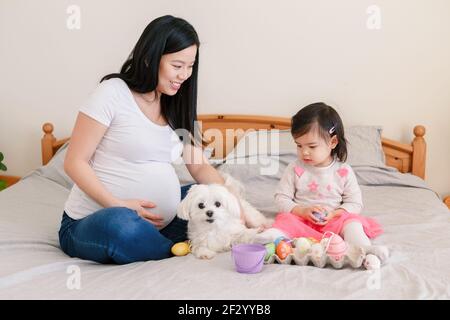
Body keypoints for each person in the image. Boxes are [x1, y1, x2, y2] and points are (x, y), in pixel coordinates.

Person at [58, 15, 229, 264]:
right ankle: (173, 250)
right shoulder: (113, 93)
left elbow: (200, 166)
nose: (185, 75)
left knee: (201, 197)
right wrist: (118, 205)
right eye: (177, 65)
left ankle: (167, 244)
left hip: (162, 225)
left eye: (190, 66)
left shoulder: (175, 104)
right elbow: (75, 162)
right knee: (121, 225)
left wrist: (233, 204)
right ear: (150, 57)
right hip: (94, 222)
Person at [257, 102, 389, 261]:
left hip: (334, 221)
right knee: (285, 220)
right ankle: (268, 239)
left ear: (332, 142)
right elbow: (281, 198)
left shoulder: (343, 171)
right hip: (302, 221)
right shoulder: (295, 168)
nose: (304, 152)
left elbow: (355, 203)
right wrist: (302, 211)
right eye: (299, 146)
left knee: (352, 222)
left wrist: (334, 213)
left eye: (312, 146)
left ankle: (364, 248)